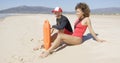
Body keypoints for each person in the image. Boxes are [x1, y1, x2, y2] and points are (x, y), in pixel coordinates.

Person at [40, 2, 105, 58]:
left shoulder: (87, 19)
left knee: (60, 36)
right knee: (58, 34)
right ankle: (44, 44)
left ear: (83, 12)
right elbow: (76, 30)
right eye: (76, 11)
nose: (76, 13)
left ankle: (48, 51)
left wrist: (98, 39)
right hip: (73, 36)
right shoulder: (78, 19)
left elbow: (91, 31)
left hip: (78, 39)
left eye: (78, 12)